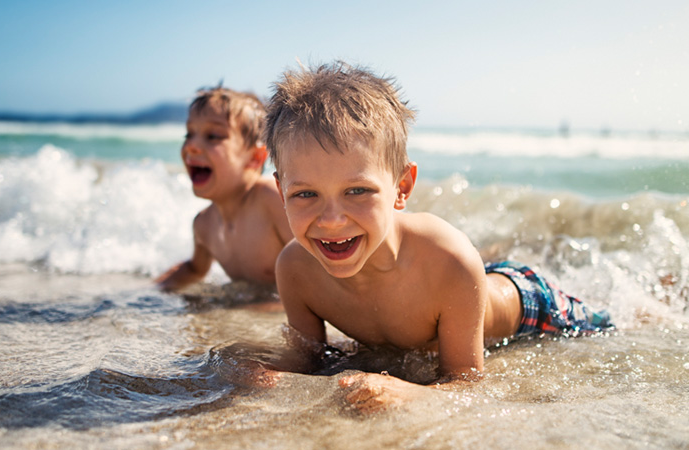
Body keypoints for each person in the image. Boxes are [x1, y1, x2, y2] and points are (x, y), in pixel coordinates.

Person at [263, 62, 612, 412]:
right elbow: (308, 358)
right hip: (461, 293)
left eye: (357, 190)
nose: (333, 221)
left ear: (402, 187)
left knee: (610, 325)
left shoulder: (448, 259)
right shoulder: (295, 270)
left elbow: (467, 384)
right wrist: (265, 373)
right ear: (281, 191)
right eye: (306, 195)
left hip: (532, 306)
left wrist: (408, 392)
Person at [156, 86, 293, 291]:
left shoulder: (270, 201)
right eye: (189, 134)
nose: (191, 146)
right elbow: (195, 270)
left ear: (255, 158)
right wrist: (150, 291)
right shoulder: (204, 224)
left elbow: (315, 269)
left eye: (213, 136)